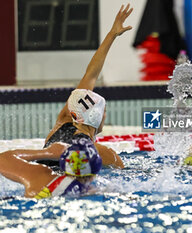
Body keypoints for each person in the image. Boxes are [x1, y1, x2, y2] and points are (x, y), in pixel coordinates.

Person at [39, 4, 134, 169]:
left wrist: (112, 35)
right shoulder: (102, 153)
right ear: (98, 117)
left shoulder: (62, 124)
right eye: (104, 111)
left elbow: (90, 75)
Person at [0, 138, 102, 199]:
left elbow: (3, 159)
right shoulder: (93, 192)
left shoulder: (40, 176)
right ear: (95, 170)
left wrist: (48, 152)